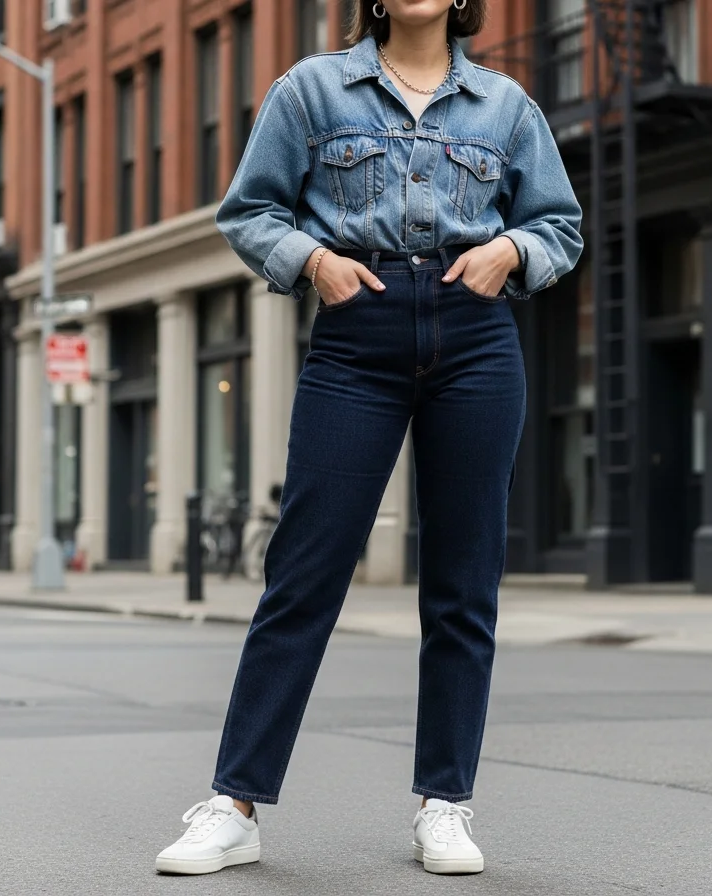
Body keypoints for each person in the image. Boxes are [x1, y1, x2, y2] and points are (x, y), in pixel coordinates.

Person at [156, 0, 582, 877]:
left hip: (477, 338)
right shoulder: (310, 91)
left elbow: (559, 225)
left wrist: (512, 251)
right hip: (357, 335)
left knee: (464, 583)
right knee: (304, 573)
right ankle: (234, 805)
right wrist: (313, 262)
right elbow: (249, 212)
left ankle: (446, 804)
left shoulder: (506, 108)